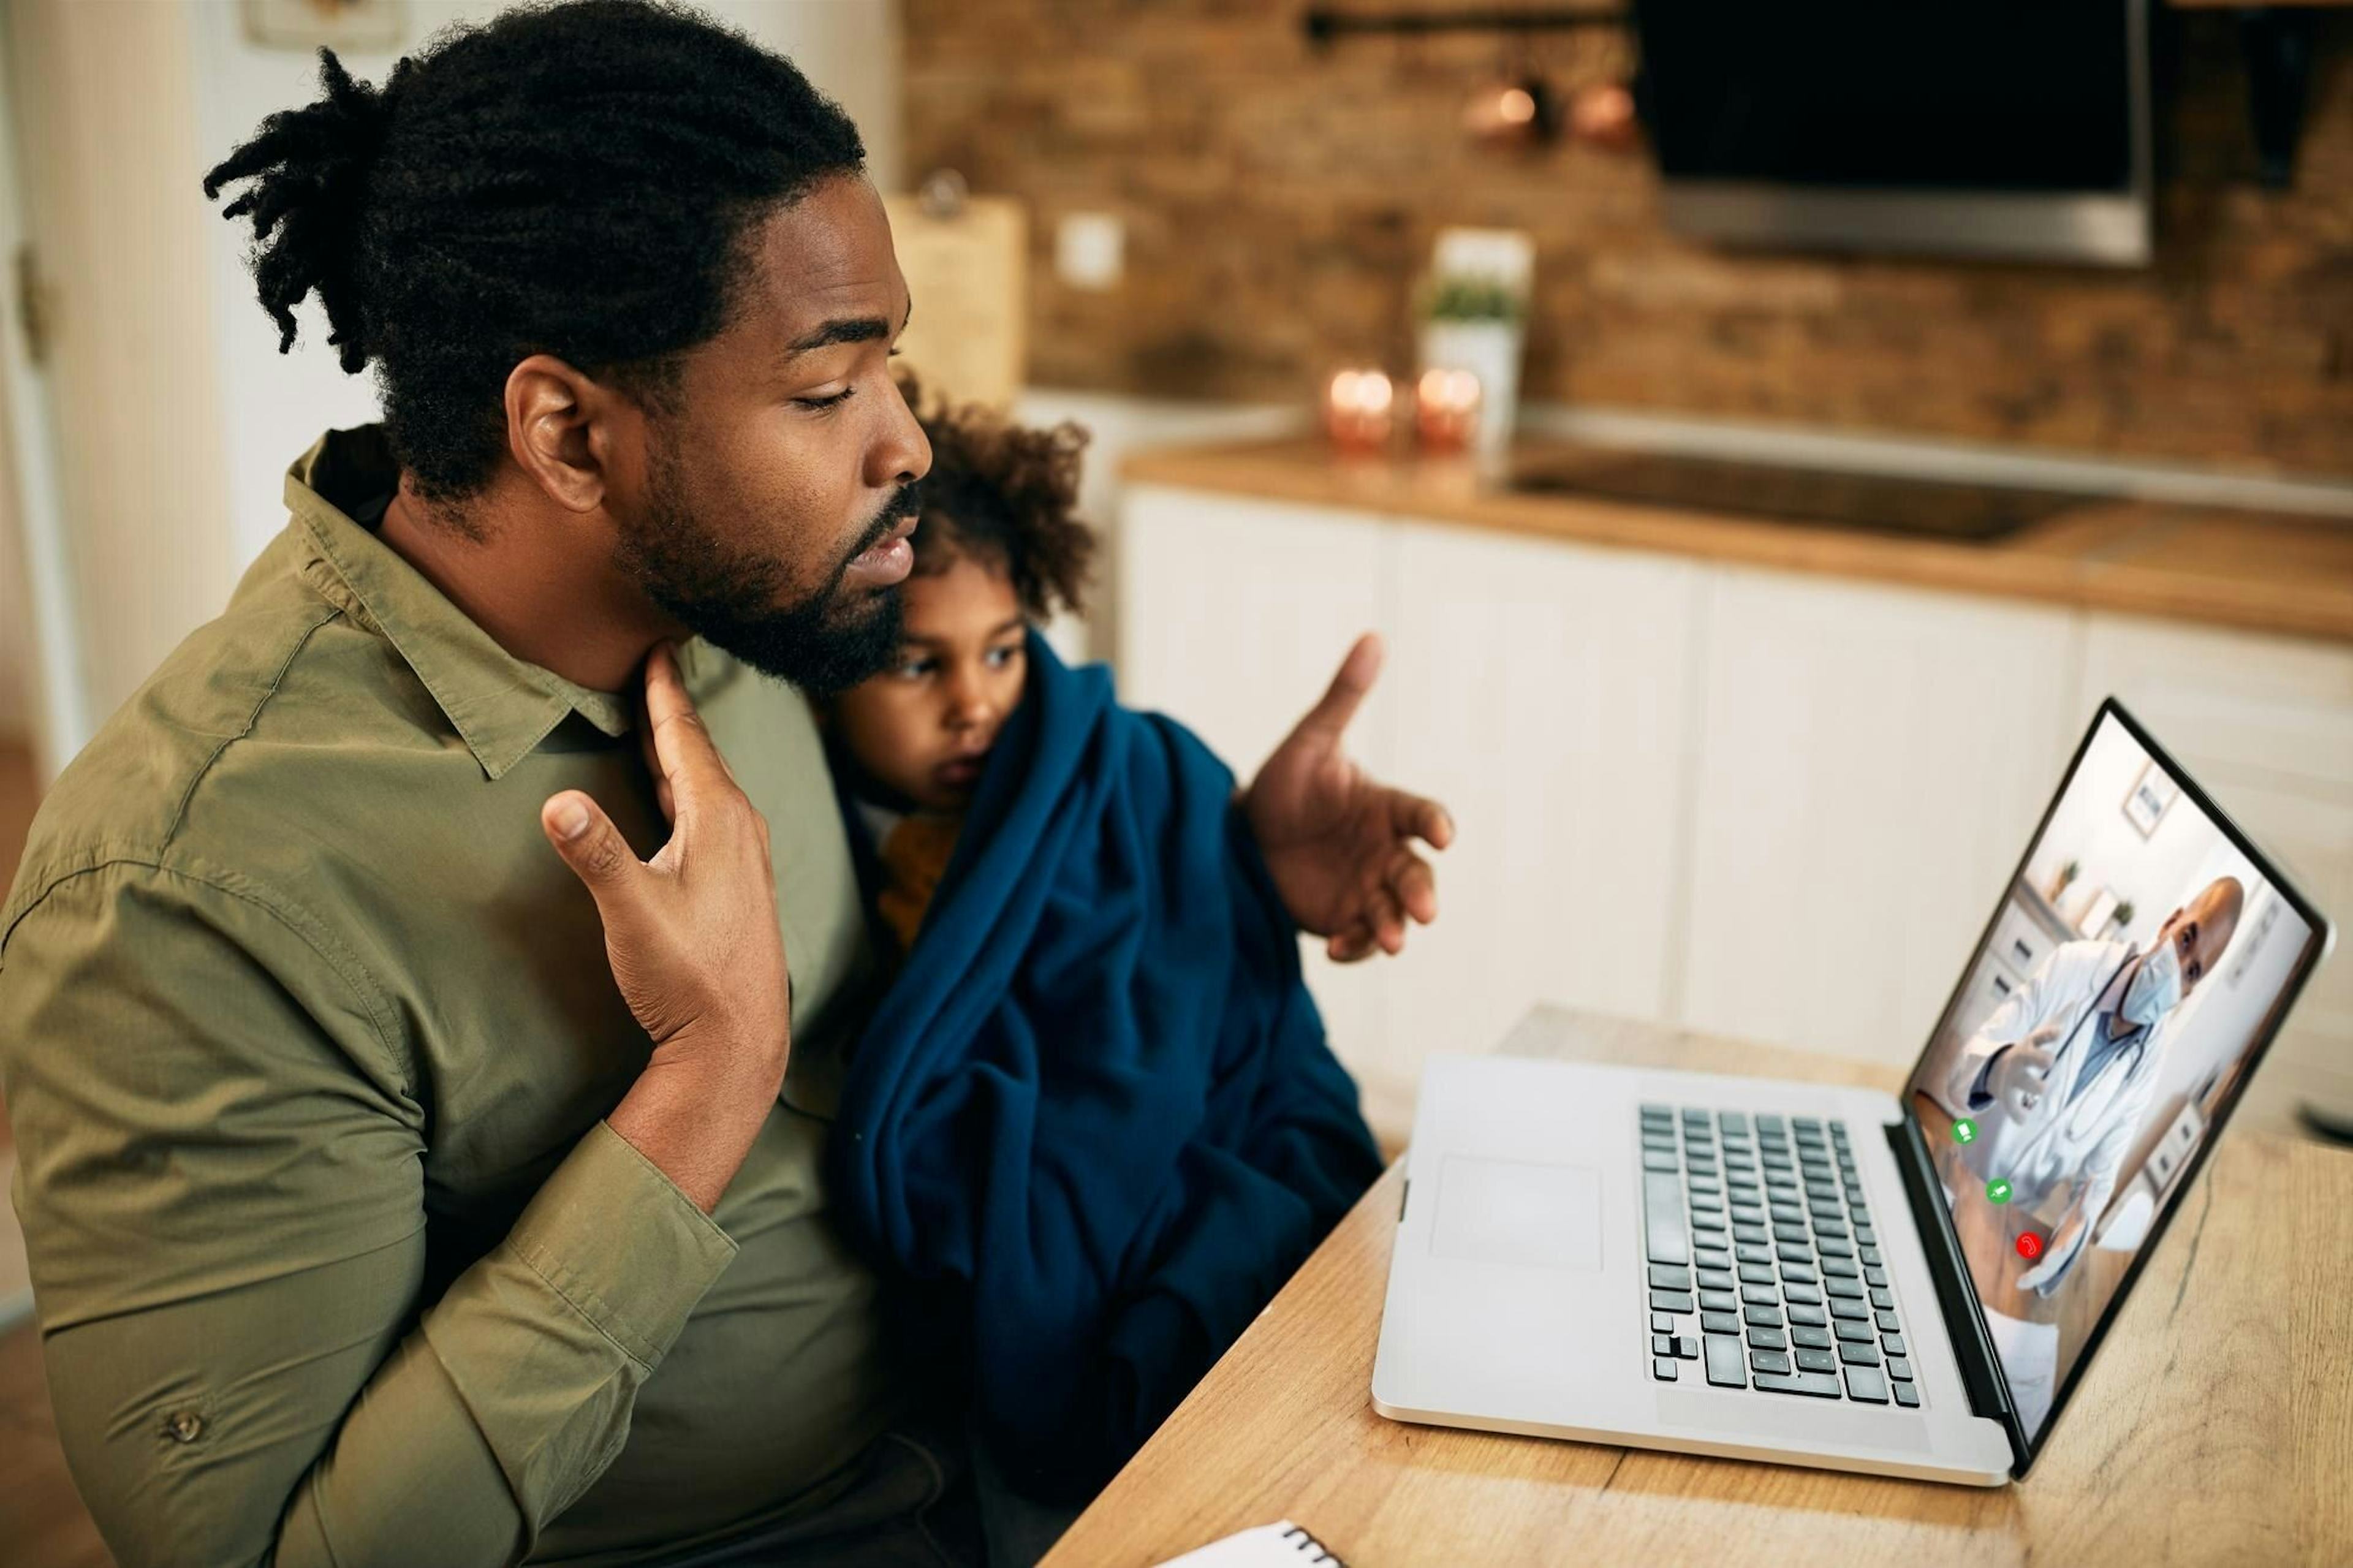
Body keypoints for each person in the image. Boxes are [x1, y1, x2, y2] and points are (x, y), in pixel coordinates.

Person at [0, 9, 1447, 1567]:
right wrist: (706, 1077)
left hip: (1026, 1439)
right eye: (827, 393)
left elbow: (967, 861)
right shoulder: (185, 892)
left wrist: (1208, 858)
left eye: (889, 365)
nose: (902, 443)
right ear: (567, 433)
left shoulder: (756, 612)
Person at [820, 388, 1392, 1506]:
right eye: (918, 666)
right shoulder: (829, 834)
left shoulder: (1127, 773)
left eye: (1001, 652)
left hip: (1217, 1138)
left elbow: (1206, 985)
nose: (975, 705)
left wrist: (1254, 871)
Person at [1939, 876, 2243, 1297]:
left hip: (2011, 1218)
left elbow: (2098, 1181)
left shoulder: (2147, 1064)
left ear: (2191, 991)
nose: (2180, 965)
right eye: (2187, 938)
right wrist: (1995, 1069)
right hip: (1959, 1173)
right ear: (2171, 922)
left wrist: (2074, 1232)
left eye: (2192, 971)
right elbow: (1960, 1070)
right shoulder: (2076, 965)